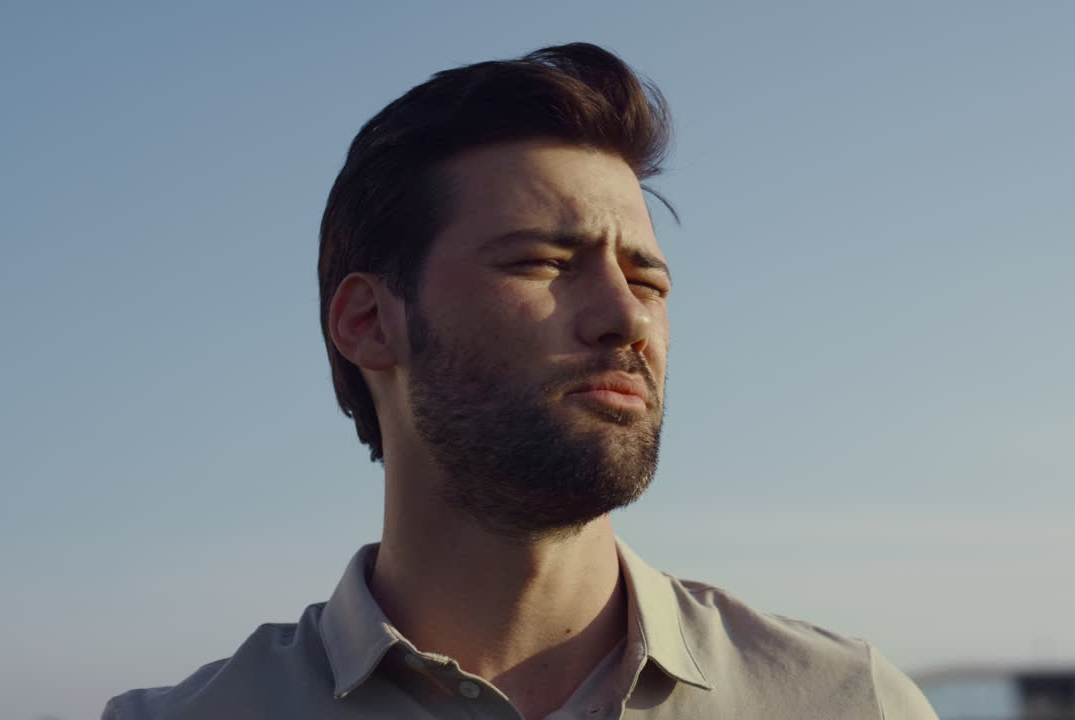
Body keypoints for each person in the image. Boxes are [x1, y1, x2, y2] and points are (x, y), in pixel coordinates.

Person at [103, 42, 938, 720]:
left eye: (648, 282)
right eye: (543, 263)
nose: (626, 317)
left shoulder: (849, 702)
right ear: (368, 322)